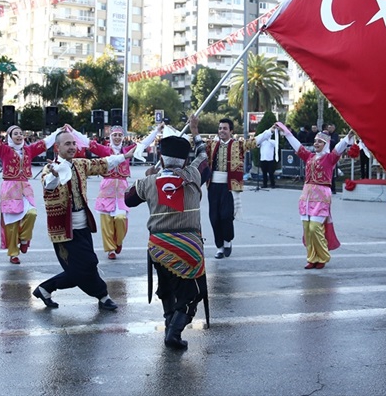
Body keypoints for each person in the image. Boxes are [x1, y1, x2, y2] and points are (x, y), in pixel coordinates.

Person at [125, 115, 211, 350]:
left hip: (159, 247)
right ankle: (173, 332)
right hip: (188, 247)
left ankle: (168, 319)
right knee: (192, 293)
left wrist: (146, 178)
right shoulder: (193, 175)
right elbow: (204, 158)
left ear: (161, 157)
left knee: (166, 287)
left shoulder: (149, 182)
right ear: (185, 162)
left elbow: (128, 199)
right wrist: (195, 131)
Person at [31, 129, 134, 310]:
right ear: (57, 147)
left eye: (73, 143)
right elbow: (48, 185)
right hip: (63, 229)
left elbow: (102, 164)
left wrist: (124, 156)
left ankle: (45, 289)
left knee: (80, 269)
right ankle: (103, 296)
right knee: (88, 264)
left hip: (83, 225)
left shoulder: (80, 164)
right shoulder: (49, 169)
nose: (72, 147)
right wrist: (55, 177)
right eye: (67, 144)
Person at [0, 120, 63, 264]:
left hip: (25, 188)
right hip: (9, 188)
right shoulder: (4, 149)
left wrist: (58, 131)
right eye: (16, 134)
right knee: (12, 223)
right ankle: (13, 253)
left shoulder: (29, 150)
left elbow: (44, 143)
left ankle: (25, 238)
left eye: (21, 133)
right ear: (9, 136)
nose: (19, 136)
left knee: (32, 213)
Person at [277, 123, 353, 269]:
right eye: (315, 141)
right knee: (307, 228)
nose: (316, 143)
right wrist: (286, 132)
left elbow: (339, 148)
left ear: (325, 144)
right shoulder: (309, 156)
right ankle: (312, 258)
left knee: (315, 228)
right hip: (306, 196)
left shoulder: (330, 158)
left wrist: (348, 137)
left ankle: (323, 256)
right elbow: (297, 146)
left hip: (321, 196)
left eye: (320, 141)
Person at [86, 123, 160, 259]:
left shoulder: (128, 150)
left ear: (123, 137)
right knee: (106, 221)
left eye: (120, 135)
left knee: (121, 218)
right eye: (115, 135)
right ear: (110, 136)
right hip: (106, 189)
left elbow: (143, 143)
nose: (117, 137)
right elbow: (89, 144)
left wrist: (156, 131)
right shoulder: (104, 150)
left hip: (121, 190)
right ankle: (110, 250)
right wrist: (72, 131)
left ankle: (118, 241)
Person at [204, 118, 274, 259]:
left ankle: (227, 240)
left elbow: (254, 142)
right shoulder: (211, 144)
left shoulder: (238, 144)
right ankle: (219, 247)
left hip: (230, 186)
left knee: (226, 216)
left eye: (224, 128)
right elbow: (195, 142)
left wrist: (269, 131)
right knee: (214, 217)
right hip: (213, 185)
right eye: (220, 128)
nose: (221, 131)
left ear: (231, 131)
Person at [325, 123, 341, 194]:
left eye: (331, 128)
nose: (329, 129)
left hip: (332, 155)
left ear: (334, 128)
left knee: (331, 172)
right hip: (326, 155)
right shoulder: (326, 134)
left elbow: (334, 142)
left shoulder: (335, 135)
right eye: (329, 127)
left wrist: (327, 139)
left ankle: (333, 189)